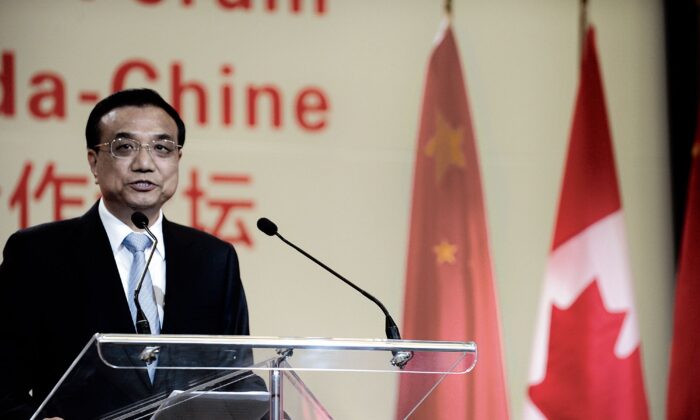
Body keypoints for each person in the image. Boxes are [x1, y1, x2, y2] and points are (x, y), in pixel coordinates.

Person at [0, 89, 264, 419]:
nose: (144, 164)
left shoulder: (212, 259)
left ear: (177, 160)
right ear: (94, 162)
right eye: (125, 147)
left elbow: (234, 380)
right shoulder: (38, 254)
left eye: (162, 148)